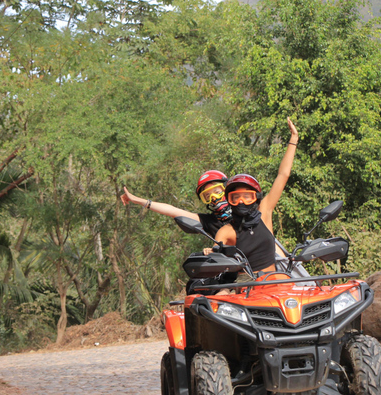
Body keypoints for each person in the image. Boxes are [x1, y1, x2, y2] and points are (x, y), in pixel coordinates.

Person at [204, 118, 299, 277]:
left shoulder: (264, 213)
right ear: (229, 201)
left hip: (276, 284)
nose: (241, 201)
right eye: (235, 197)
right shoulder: (226, 231)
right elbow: (216, 258)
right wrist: (210, 252)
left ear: (256, 198)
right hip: (247, 287)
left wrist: (294, 139)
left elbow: (283, 175)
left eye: (247, 196)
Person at [120, 170, 231, 236]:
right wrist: (137, 200)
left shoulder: (241, 212)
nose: (213, 198)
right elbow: (172, 211)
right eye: (207, 196)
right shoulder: (210, 222)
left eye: (217, 192)